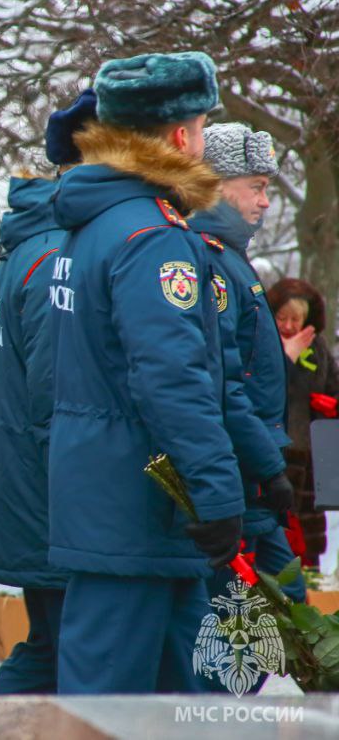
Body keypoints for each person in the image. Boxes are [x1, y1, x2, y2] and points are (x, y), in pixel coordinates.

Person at [47, 51, 244, 694]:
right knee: (105, 712)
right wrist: (216, 491)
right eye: (204, 125)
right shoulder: (153, 235)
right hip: (136, 510)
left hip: (113, 499)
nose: (207, 141)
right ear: (182, 135)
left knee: (184, 702)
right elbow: (171, 376)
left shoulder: (96, 224)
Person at [0, 88, 94, 695]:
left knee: (51, 649)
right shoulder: (55, 255)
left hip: (35, 495)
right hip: (53, 501)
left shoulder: (36, 242)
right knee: (54, 651)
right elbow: (58, 397)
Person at [188, 124, 300, 604]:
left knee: (284, 613)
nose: (265, 202)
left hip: (250, 474)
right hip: (238, 475)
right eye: (256, 187)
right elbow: (225, 385)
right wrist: (268, 464)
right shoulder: (208, 261)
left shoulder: (229, 257)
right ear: (214, 185)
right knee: (247, 631)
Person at [268, 277, 339, 568]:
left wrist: (332, 404)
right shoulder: (265, 345)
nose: (288, 325)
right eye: (282, 318)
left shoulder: (318, 346)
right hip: (279, 452)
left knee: (309, 538)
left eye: (295, 319)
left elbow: (334, 385)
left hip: (313, 455)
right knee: (280, 532)